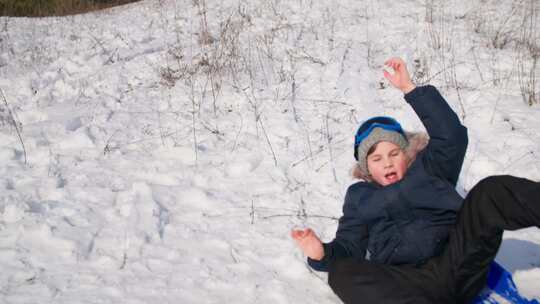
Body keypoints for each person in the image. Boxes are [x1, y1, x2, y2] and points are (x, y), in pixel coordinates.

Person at [291, 57, 540, 304]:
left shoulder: (429, 167)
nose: (387, 162)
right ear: (366, 169)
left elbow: (452, 136)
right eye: (376, 159)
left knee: (491, 191)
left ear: (406, 153)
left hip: (457, 261)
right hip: (408, 284)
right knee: (342, 273)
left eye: (393, 153)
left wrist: (410, 89)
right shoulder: (359, 198)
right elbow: (348, 248)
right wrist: (320, 253)